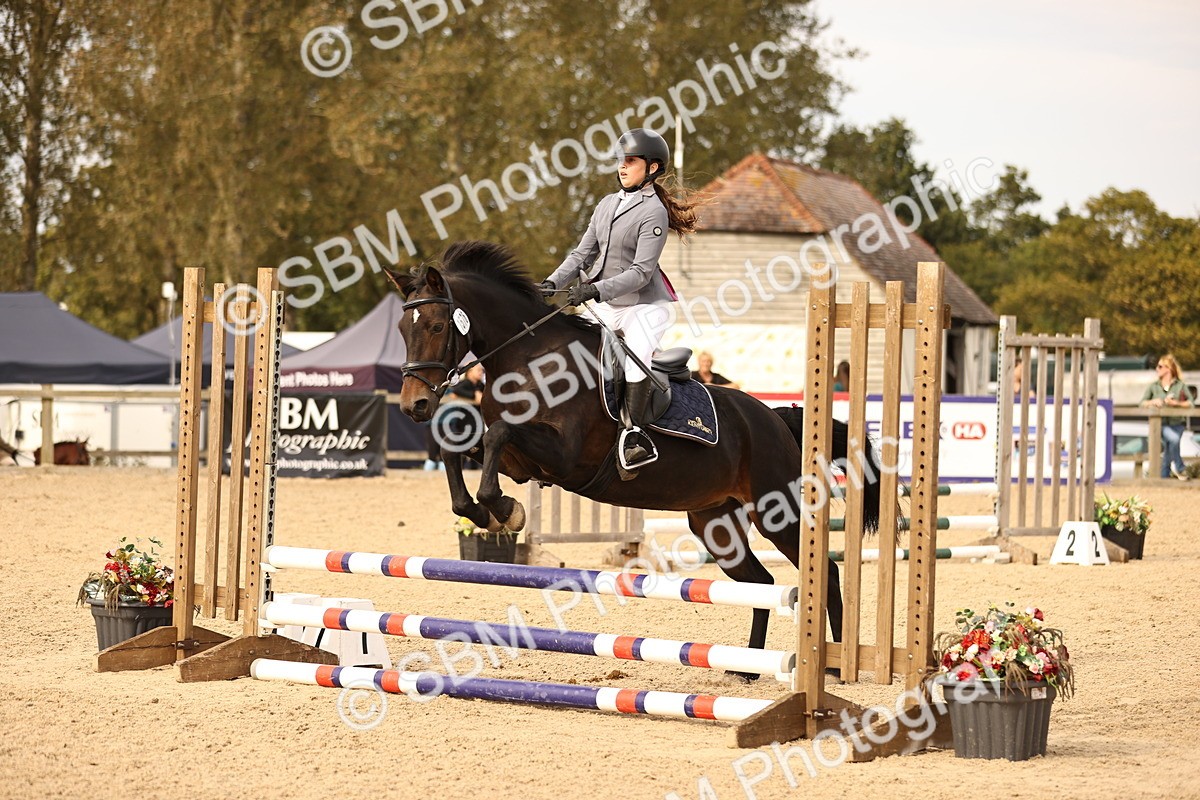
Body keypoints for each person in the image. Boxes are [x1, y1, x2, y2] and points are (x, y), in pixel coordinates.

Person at [540, 128, 699, 473]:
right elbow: (583, 252)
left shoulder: (653, 212)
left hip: (643, 307)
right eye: (620, 161)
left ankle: (634, 436)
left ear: (652, 168)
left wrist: (596, 289)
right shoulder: (607, 204)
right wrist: (554, 281)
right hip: (605, 306)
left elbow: (642, 272)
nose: (622, 167)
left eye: (630, 161)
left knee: (633, 361)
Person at [1140, 353, 1194, 480]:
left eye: (1160, 366)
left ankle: (1164, 477)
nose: (1156, 369)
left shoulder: (1180, 386)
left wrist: (1176, 403)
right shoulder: (1153, 386)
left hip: (1177, 423)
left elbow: (1191, 403)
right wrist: (1154, 401)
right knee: (1174, 440)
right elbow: (1142, 403)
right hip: (1161, 424)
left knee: (1169, 449)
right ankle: (1180, 468)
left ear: (1168, 369)